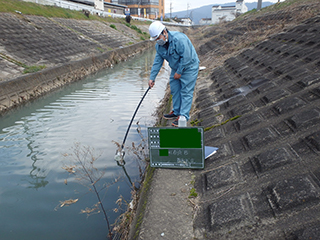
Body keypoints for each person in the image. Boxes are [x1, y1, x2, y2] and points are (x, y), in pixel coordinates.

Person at [148, 21, 199, 127]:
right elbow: (157, 62)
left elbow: (187, 57)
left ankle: (183, 115)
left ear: (164, 32)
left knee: (186, 91)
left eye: (158, 38)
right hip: (176, 68)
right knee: (175, 89)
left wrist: (179, 72)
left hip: (189, 67)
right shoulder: (159, 47)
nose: (158, 41)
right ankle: (176, 112)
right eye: (156, 39)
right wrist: (152, 78)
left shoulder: (179, 39)